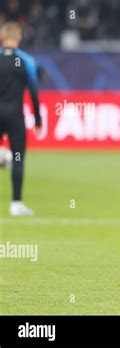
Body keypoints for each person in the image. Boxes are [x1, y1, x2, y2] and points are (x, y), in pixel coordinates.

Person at [0, 21, 42, 216]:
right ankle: (16, 204)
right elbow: (33, 92)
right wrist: (38, 120)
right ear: (19, 38)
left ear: (2, 38)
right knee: (19, 159)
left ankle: (2, 154)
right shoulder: (26, 61)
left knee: (9, 156)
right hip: (15, 115)